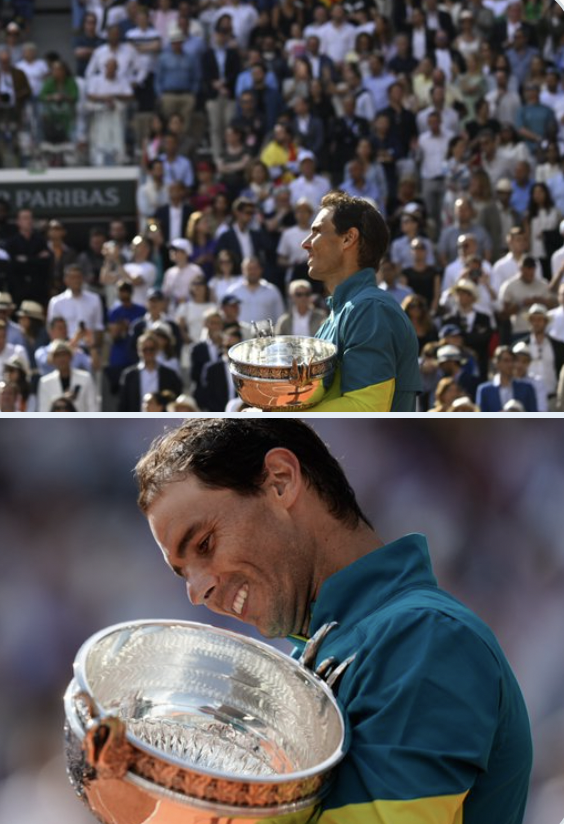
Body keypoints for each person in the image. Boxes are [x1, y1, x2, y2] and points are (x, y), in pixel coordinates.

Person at [134, 418, 532, 823]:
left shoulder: (426, 636)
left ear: (280, 482)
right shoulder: (306, 670)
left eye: (205, 543)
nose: (196, 591)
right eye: (183, 573)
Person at [300, 191, 422, 410]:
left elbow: (366, 407)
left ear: (348, 238)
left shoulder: (369, 309)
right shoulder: (339, 316)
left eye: (316, 232)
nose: (305, 243)